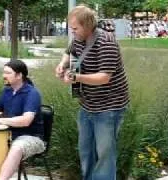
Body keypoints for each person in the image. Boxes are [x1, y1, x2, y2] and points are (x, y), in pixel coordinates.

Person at [55, 5, 129, 180]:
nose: (72, 32)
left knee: (105, 155)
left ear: (88, 25)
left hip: (109, 107)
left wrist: (76, 78)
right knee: (86, 151)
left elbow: (104, 77)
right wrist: (62, 64)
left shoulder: (106, 42)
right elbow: (69, 51)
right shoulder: (79, 37)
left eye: (75, 28)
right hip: (87, 105)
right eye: (71, 28)